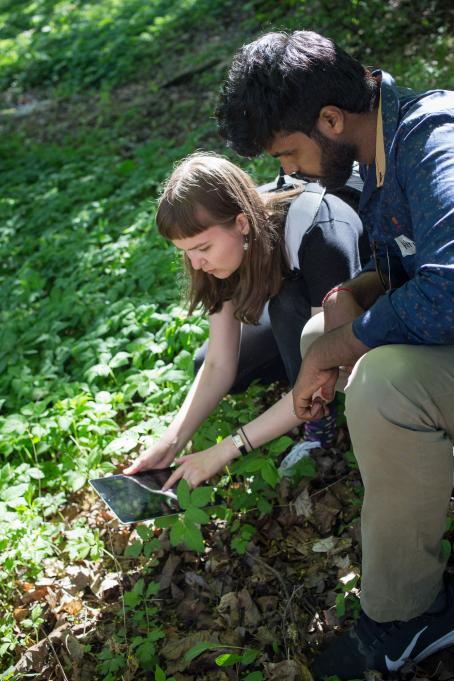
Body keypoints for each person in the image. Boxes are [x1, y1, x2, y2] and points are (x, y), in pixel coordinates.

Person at [216, 29, 454, 679]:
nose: (288, 173)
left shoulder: (434, 139)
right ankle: (401, 494)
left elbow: (451, 286)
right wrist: (354, 293)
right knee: (315, 331)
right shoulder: (377, 149)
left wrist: (345, 345)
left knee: (382, 381)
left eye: (290, 153)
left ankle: (406, 619)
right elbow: (410, 269)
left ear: (331, 119)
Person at [124, 151, 368, 491]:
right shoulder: (223, 247)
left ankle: (320, 431)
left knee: (287, 308)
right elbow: (218, 365)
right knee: (208, 363)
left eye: (203, 248)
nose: (195, 264)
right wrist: (169, 444)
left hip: (353, 317)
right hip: (301, 310)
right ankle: (293, 395)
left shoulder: (321, 231)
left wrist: (227, 449)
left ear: (241, 223)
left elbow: (327, 367)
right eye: (186, 252)